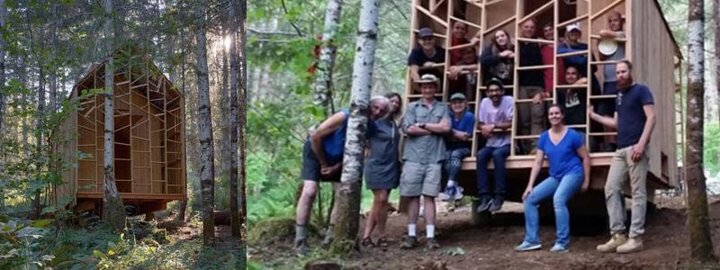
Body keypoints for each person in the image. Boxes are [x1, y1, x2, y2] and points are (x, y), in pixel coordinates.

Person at [294, 97, 389, 254]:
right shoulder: (344, 116)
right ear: (368, 106)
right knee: (310, 191)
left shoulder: (371, 127)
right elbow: (316, 136)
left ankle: (331, 237)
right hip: (316, 152)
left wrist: (336, 166)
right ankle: (300, 240)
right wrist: (324, 164)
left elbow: (356, 151)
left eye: (382, 111)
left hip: (339, 160)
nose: (377, 112)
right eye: (375, 107)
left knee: (342, 193)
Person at [590, 60, 655, 254]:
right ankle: (618, 235)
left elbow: (651, 117)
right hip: (620, 149)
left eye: (623, 71)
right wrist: (594, 116)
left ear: (630, 72)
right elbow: (616, 124)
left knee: (638, 192)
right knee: (611, 188)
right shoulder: (619, 95)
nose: (620, 75)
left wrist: (642, 144)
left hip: (636, 147)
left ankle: (636, 237)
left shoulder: (641, 91)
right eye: (617, 72)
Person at [515, 104, 590, 253]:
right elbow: (537, 162)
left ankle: (562, 243)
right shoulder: (544, 137)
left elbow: (585, 157)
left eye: (557, 113)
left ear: (562, 116)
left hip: (573, 173)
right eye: (551, 114)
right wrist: (530, 185)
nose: (554, 116)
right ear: (548, 117)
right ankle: (532, 240)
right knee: (529, 199)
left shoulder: (572, 135)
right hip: (555, 176)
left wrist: (586, 180)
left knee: (558, 199)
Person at [399, 74, 450, 250]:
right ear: (420, 89)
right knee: (413, 197)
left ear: (435, 88)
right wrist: (433, 129)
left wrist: (422, 125)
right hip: (413, 158)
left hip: (434, 158)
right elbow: (409, 129)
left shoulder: (443, 108)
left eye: (430, 86)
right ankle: (411, 235)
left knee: (430, 197)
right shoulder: (412, 107)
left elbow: (446, 128)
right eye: (424, 87)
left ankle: (430, 237)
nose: (427, 90)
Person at [361, 95, 401, 248]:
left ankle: (370, 236)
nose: (394, 104)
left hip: (391, 165)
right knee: (382, 198)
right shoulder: (374, 122)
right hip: (376, 164)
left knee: (380, 202)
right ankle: (377, 235)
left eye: (397, 102)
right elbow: (363, 137)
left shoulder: (394, 125)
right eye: (392, 101)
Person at [475, 78, 514, 213]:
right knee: (480, 155)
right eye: (491, 91)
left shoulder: (509, 100)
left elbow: (511, 123)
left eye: (497, 90)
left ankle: (499, 196)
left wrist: (494, 126)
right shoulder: (485, 102)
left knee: (498, 155)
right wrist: (483, 128)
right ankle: (484, 196)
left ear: (502, 91)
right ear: (487, 93)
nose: (494, 93)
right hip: (491, 142)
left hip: (507, 142)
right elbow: (480, 123)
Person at [597, 11, 626, 151]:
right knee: (606, 110)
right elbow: (602, 57)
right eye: (611, 21)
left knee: (619, 110)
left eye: (616, 20)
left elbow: (603, 32)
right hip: (608, 81)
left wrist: (605, 35)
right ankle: (612, 142)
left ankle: (620, 140)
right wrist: (600, 44)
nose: (613, 23)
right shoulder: (606, 40)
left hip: (620, 80)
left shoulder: (624, 35)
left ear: (621, 22)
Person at [517, 19, 546, 154]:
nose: (529, 29)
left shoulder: (539, 44)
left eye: (532, 27)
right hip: (521, 86)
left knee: (537, 117)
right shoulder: (517, 44)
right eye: (526, 27)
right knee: (524, 119)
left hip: (537, 86)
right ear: (522, 28)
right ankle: (525, 148)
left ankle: (536, 148)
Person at [441, 93, 475, 205]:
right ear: (450, 105)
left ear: (465, 104)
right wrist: (455, 133)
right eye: (454, 103)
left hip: (464, 148)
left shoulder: (469, 116)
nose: (457, 105)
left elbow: (466, 136)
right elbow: (444, 132)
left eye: (460, 102)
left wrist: (451, 132)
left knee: (455, 154)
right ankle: (455, 186)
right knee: (446, 156)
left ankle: (450, 185)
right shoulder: (448, 116)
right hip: (449, 147)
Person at [558, 65, 588, 129]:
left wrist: (571, 88)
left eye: (573, 74)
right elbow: (548, 94)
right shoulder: (561, 89)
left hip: (582, 129)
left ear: (579, 76)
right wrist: (540, 95)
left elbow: (585, 80)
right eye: (568, 74)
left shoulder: (583, 88)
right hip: (566, 129)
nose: (570, 76)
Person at [541, 24, 563, 96]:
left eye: (550, 29)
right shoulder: (542, 49)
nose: (549, 32)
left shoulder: (563, 45)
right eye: (546, 31)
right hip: (549, 85)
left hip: (563, 83)